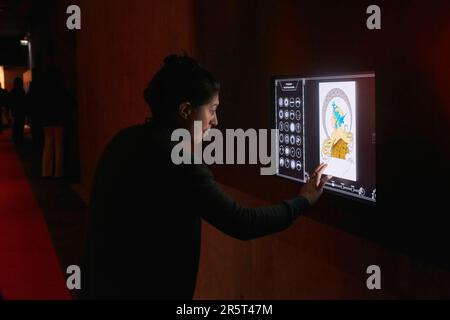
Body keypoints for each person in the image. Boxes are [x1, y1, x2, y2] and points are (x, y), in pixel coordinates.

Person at [81, 54, 332, 300]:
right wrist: (303, 200)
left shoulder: (124, 139)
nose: (215, 121)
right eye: (212, 110)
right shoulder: (177, 162)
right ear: (186, 110)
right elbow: (242, 222)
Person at [9, 77, 27, 146]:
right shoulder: (22, 91)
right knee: (20, 126)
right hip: (21, 112)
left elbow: (10, 102)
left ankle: (15, 139)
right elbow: (24, 102)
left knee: (15, 125)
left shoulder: (12, 91)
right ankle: (20, 139)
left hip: (14, 112)